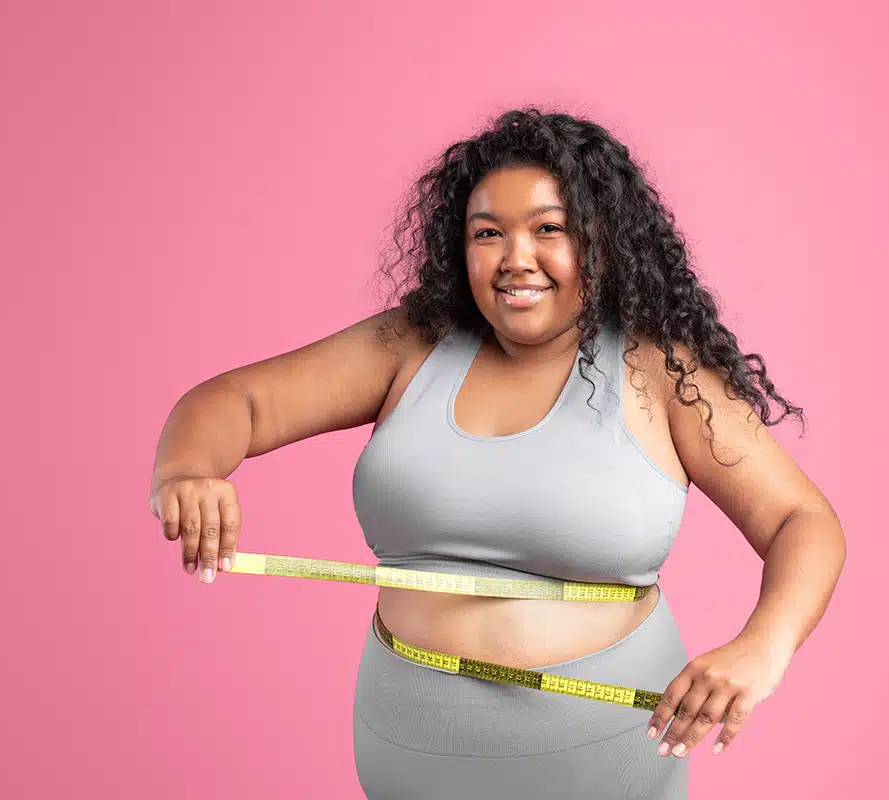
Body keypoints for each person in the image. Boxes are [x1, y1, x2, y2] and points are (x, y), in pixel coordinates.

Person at [149, 107, 846, 798]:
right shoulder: (408, 346)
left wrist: (763, 648)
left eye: (549, 229)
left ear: (602, 241)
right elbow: (231, 401)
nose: (517, 258)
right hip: (411, 757)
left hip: (603, 762)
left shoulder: (657, 371)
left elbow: (801, 521)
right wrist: (188, 471)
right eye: (489, 233)